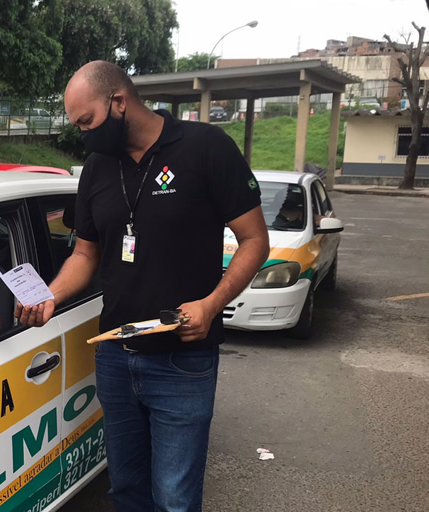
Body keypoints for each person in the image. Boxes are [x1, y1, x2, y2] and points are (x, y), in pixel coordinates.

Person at [15, 61, 270, 512]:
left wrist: (212, 304)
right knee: (127, 490)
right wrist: (50, 295)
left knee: (174, 498)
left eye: (87, 122)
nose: (84, 135)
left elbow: (254, 240)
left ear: (119, 102)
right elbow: (84, 255)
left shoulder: (206, 147)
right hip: (116, 354)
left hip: (183, 361)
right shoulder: (96, 167)